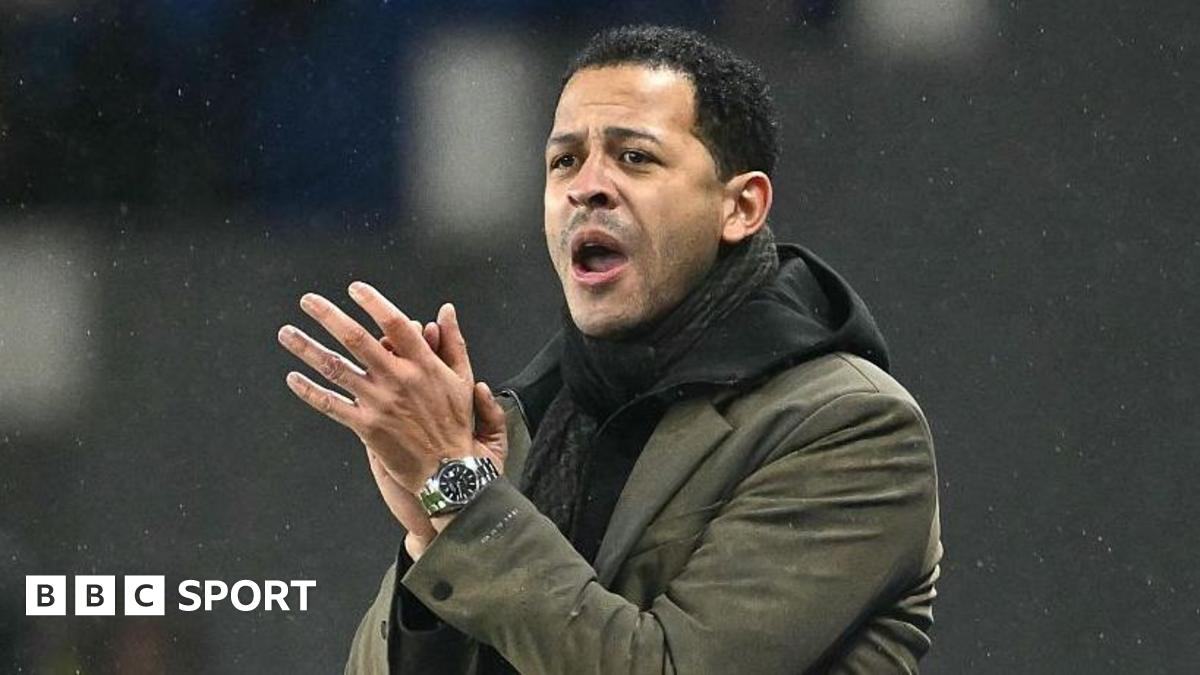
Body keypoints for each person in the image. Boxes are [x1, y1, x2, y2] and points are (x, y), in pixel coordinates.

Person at [278, 24, 942, 674]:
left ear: (741, 207)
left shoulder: (851, 428)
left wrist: (459, 498)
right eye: (564, 160)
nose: (585, 185)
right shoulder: (516, 426)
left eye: (635, 157)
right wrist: (431, 537)